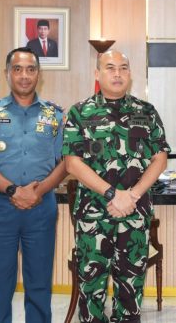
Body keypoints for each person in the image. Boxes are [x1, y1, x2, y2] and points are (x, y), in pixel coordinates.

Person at [63, 49, 169, 323]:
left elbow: (160, 159)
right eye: (110, 68)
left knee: (131, 291)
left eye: (123, 68)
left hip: (135, 213)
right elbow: (72, 163)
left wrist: (131, 195)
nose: (118, 73)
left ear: (130, 74)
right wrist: (112, 194)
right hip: (93, 216)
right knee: (91, 289)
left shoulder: (146, 112)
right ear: (97, 73)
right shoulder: (80, 112)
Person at [0, 47, 66, 323]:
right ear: (7, 73)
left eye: (31, 69)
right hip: (0, 208)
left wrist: (38, 191)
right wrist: (13, 191)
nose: (24, 76)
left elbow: (66, 163)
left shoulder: (55, 115)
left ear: (39, 74)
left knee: (39, 283)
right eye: (18, 69)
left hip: (41, 207)